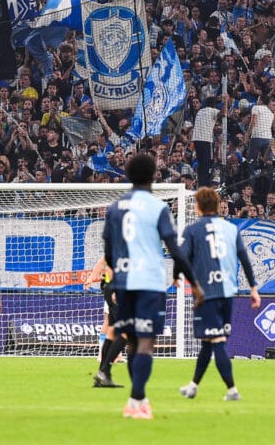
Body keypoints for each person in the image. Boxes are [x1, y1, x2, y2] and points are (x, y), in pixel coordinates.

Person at [103, 153, 204, 420]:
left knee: (132, 342)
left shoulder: (114, 208)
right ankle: (136, 400)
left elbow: (109, 251)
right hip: (148, 282)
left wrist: (115, 278)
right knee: (145, 343)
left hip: (123, 282)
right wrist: (193, 282)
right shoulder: (158, 208)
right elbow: (176, 250)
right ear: (154, 176)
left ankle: (139, 400)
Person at [177, 186, 261, 401]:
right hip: (227, 293)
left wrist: (177, 276)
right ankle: (193, 386)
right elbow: (244, 258)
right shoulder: (231, 228)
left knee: (217, 340)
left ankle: (232, 390)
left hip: (208, 294)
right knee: (209, 341)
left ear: (198, 206)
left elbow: (182, 258)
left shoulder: (193, 230)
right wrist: (253, 288)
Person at [88, 257, 125, 388]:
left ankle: (102, 373)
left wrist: (92, 277)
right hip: (116, 289)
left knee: (112, 330)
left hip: (116, 288)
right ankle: (104, 371)